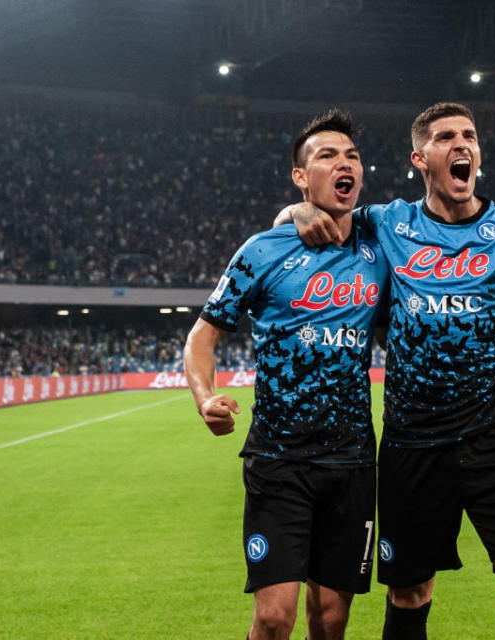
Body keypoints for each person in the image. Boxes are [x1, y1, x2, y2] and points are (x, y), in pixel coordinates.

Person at [278, 102, 495, 640]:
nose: (462, 144)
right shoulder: (387, 223)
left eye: (469, 135)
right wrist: (296, 212)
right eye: (446, 138)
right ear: (420, 158)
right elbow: (313, 217)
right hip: (412, 446)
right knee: (410, 594)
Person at [184, 109, 388, 640]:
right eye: (327, 156)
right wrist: (203, 397)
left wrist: (296, 210)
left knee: (332, 618)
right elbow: (202, 337)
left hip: (352, 462)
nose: (344, 164)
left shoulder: (379, 244)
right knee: (274, 619)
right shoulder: (263, 250)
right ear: (301, 176)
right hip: (279, 460)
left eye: (353, 156)